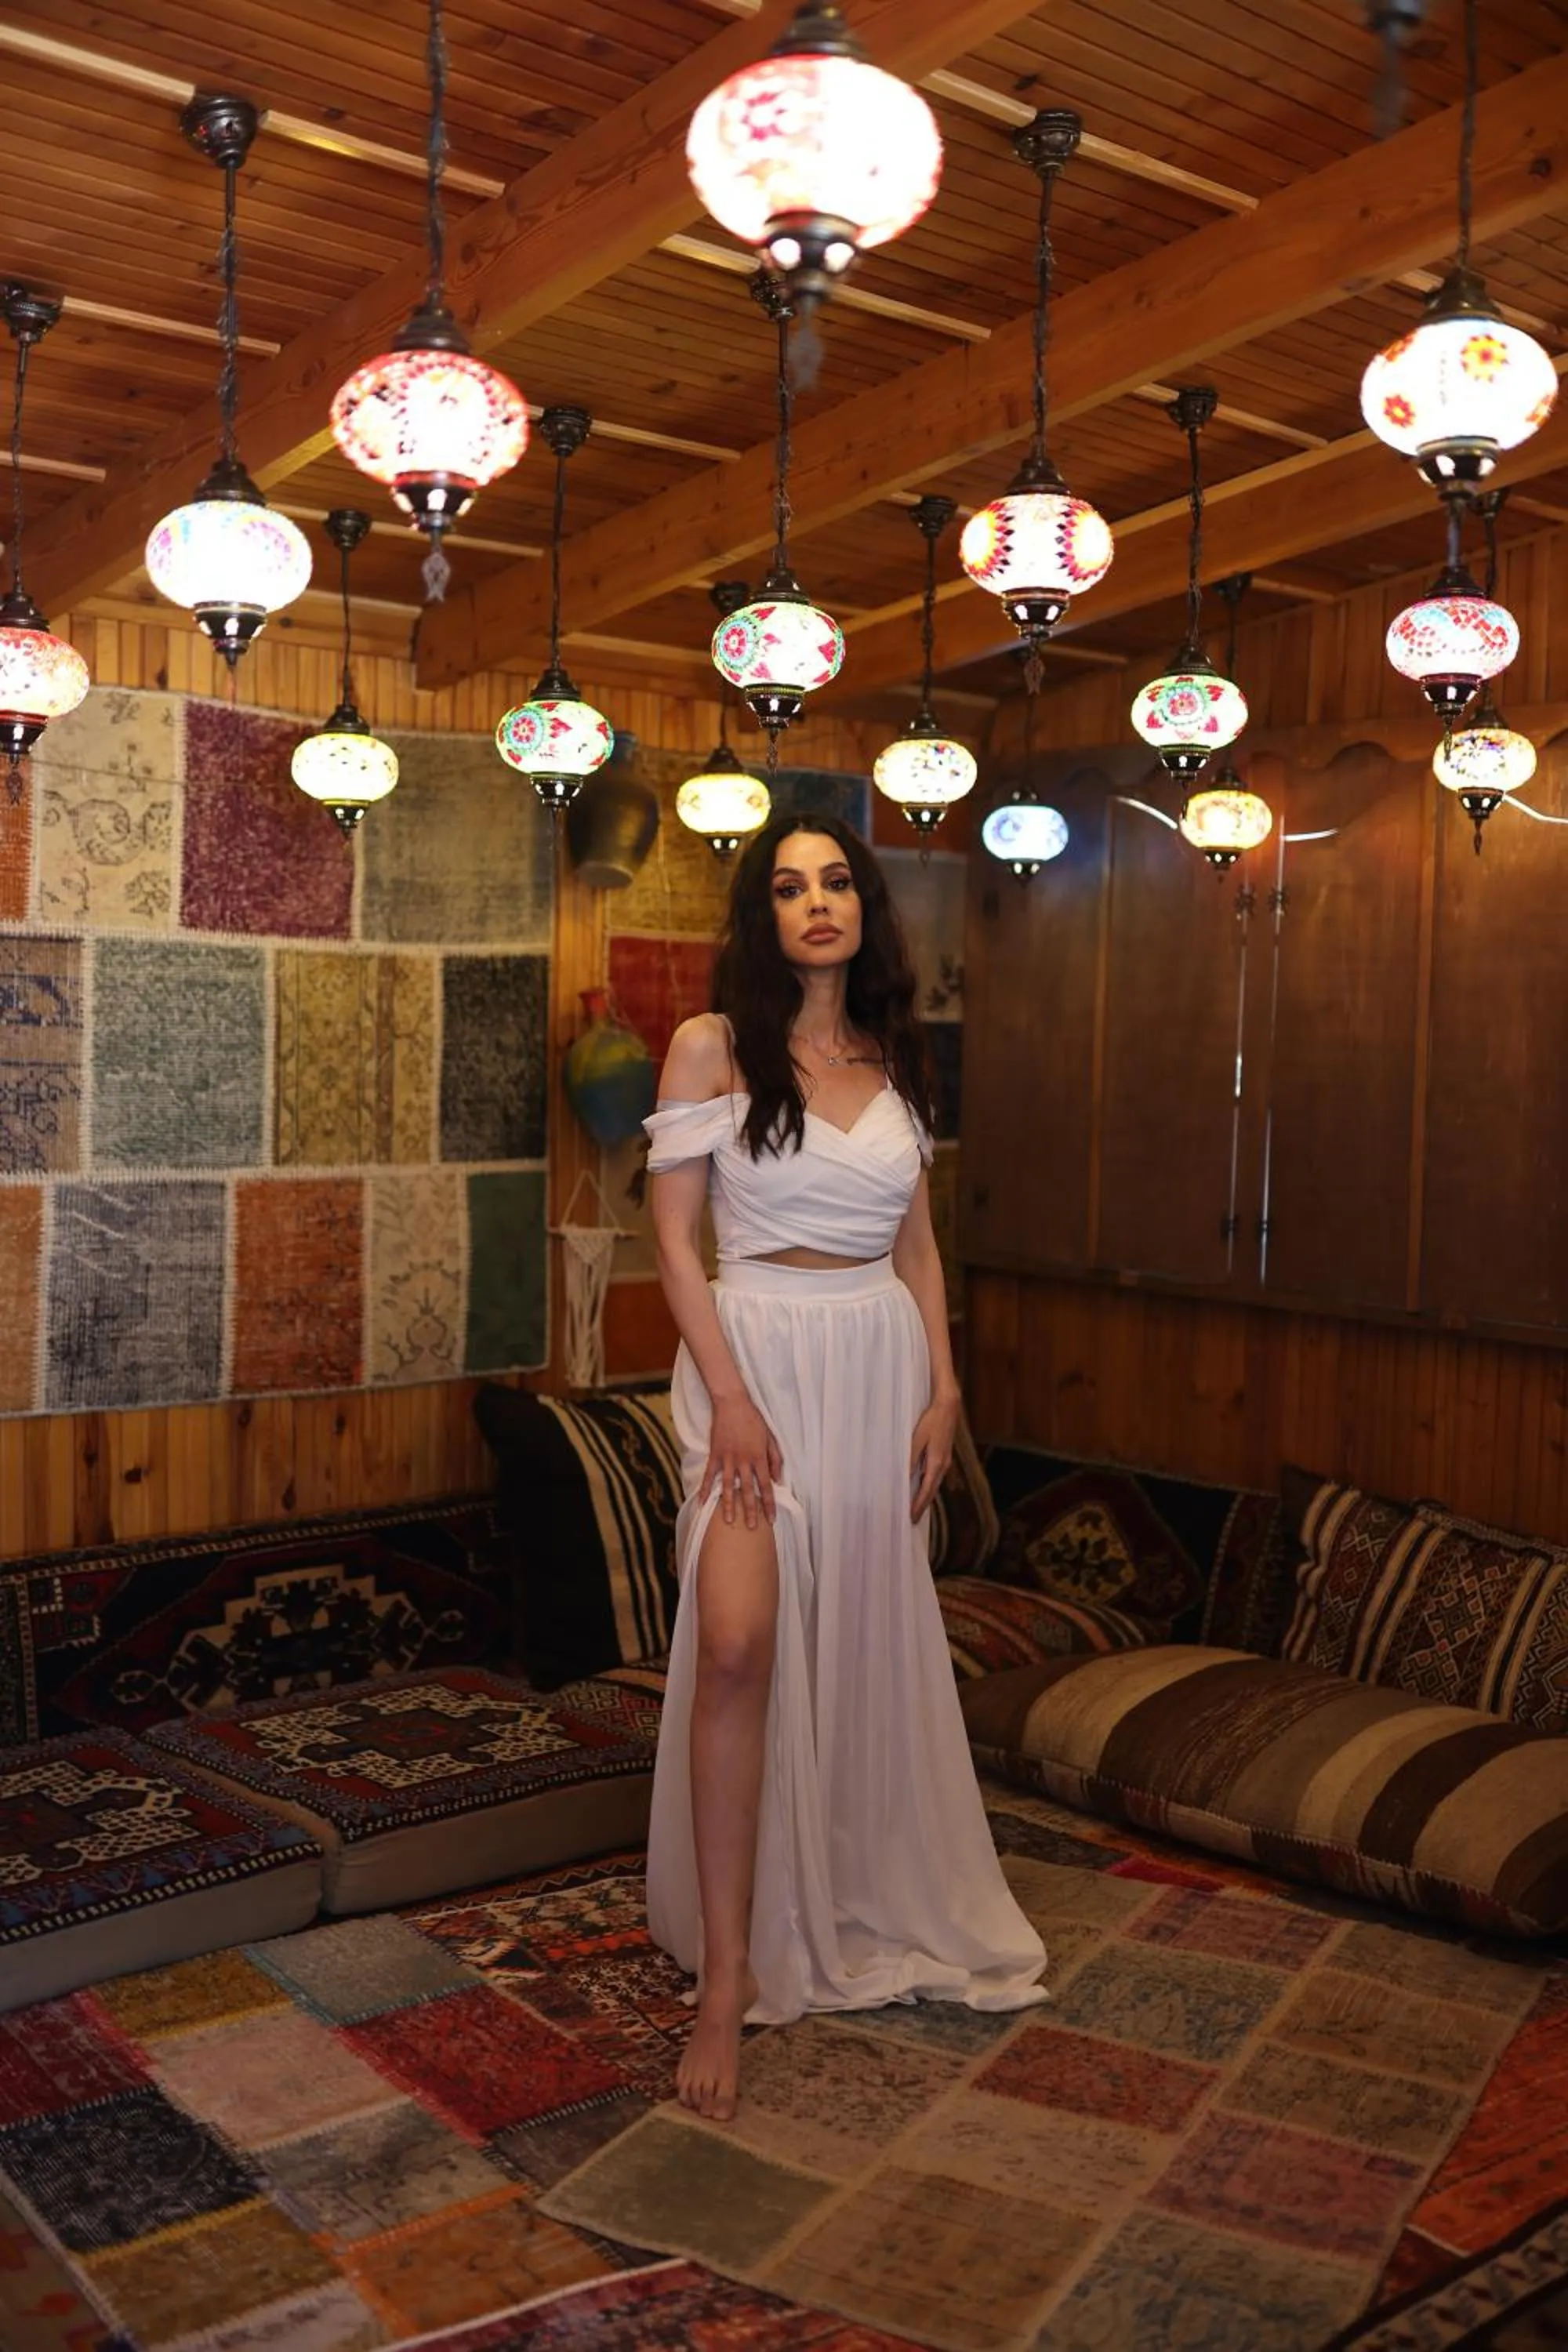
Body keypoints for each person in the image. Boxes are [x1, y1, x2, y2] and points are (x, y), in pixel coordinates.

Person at [642, 811, 1047, 2122]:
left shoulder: (899, 1055)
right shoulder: (714, 1046)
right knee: (742, 1642)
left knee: (859, 1643)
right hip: (753, 1358)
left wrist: (945, 1385)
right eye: (786, 888)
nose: (815, 903)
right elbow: (673, 1245)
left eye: (835, 883)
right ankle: (729, 1975)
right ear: (761, 919)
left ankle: (849, 1893)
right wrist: (734, 1397)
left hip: (877, 1371)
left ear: (865, 907)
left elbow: (918, 1244)